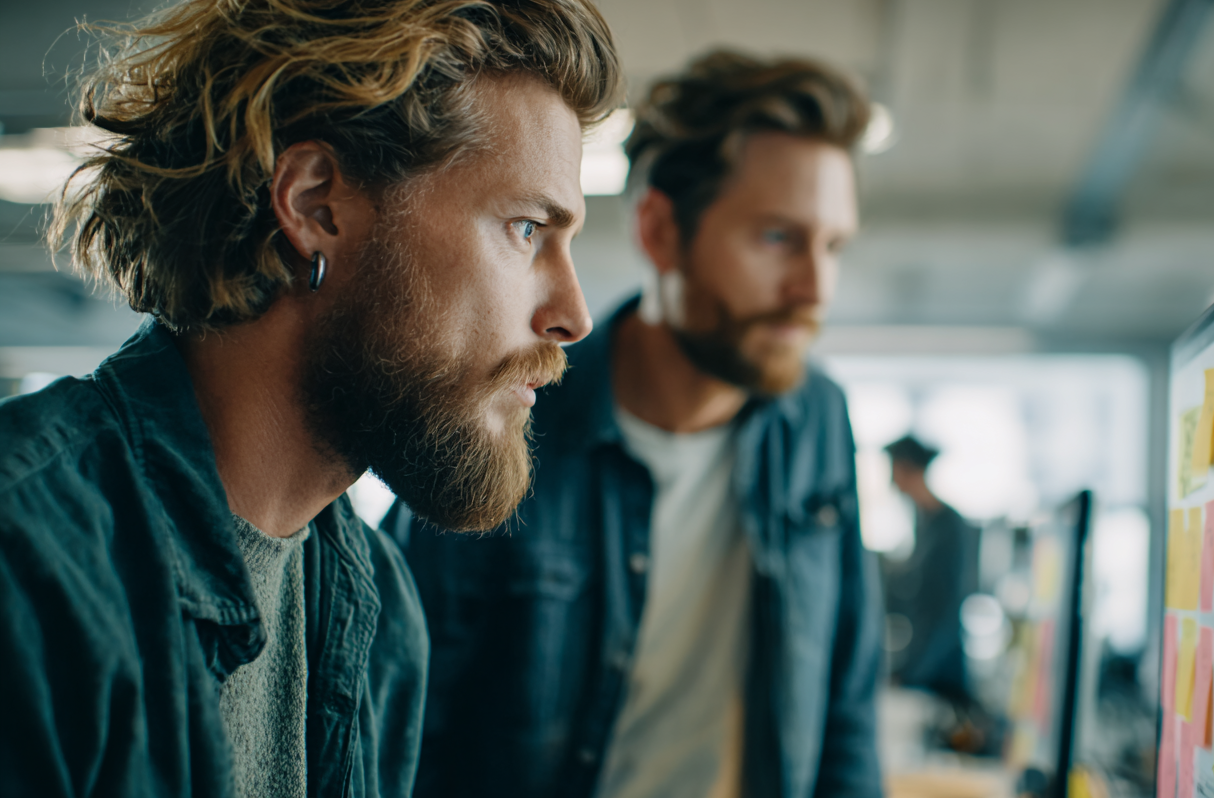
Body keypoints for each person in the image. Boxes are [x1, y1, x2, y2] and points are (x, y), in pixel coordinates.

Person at [0, 0, 620, 796]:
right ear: (314, 204)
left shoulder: (380, 612)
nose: (572, 315)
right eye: (527, 229)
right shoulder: (28, 561)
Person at [390, 50, 883, 797]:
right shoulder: (504, 414)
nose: (815, 287)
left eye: (833, 246)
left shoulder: (817, 420)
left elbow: (846, 707)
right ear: (659, 230)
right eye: (779, 238)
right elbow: (409, 729)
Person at [881, 436, 981, 719]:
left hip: (942, 676)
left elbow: (946, 611)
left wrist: (913, 674)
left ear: (907, 469)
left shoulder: (950, 526)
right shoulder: (924, 522)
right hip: (924, 666)